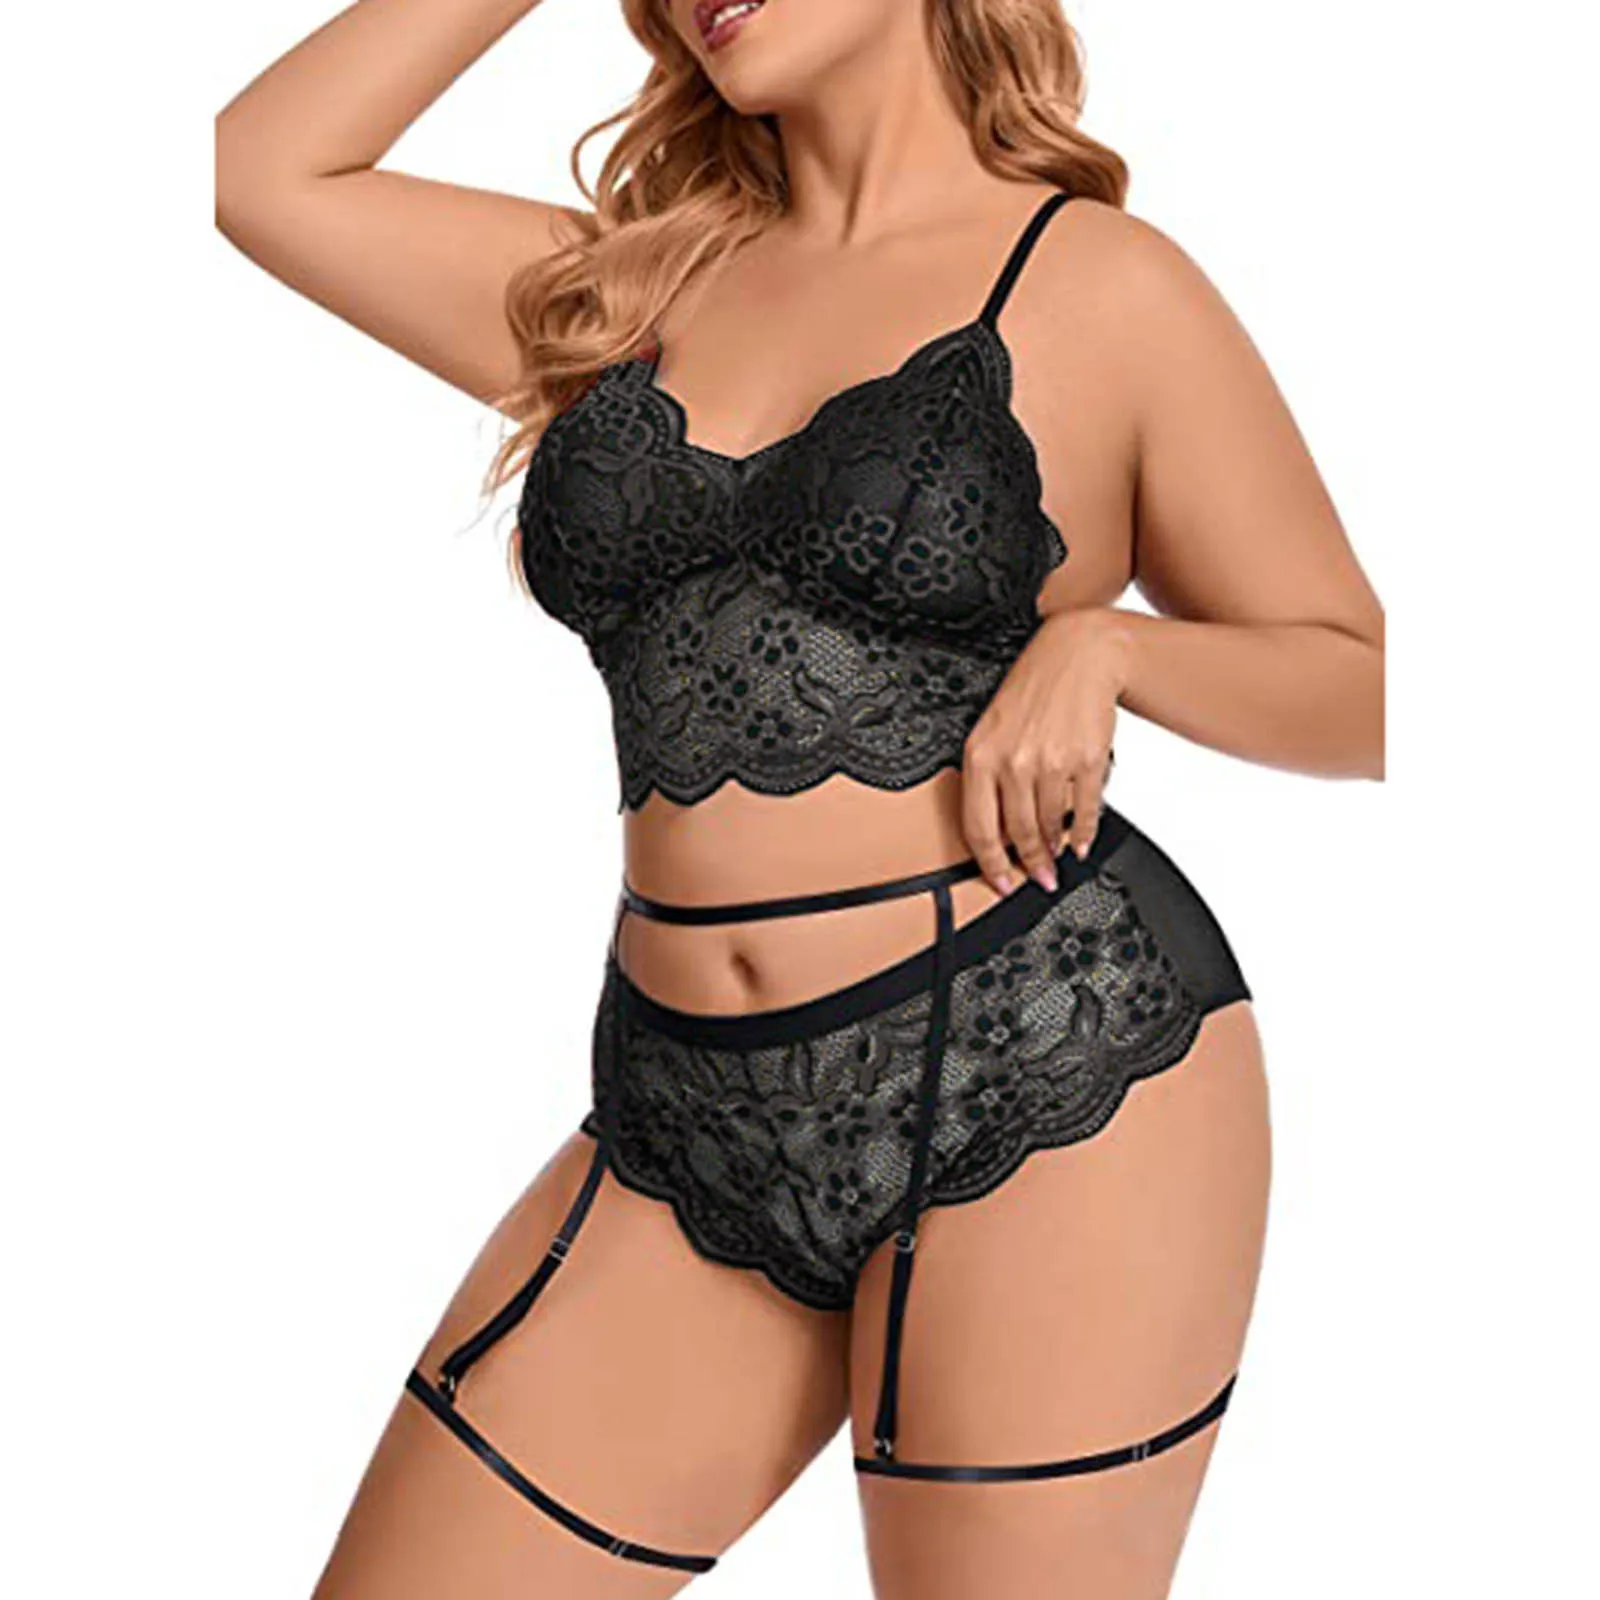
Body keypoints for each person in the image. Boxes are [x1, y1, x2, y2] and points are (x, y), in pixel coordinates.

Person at [215, 1, 1385, 1594]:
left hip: (1042, 1069)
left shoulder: (1102, 286)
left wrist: (1112, 650)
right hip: (682, 1116)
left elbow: (1365, 684)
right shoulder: (628, 289)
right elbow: (260, 170)